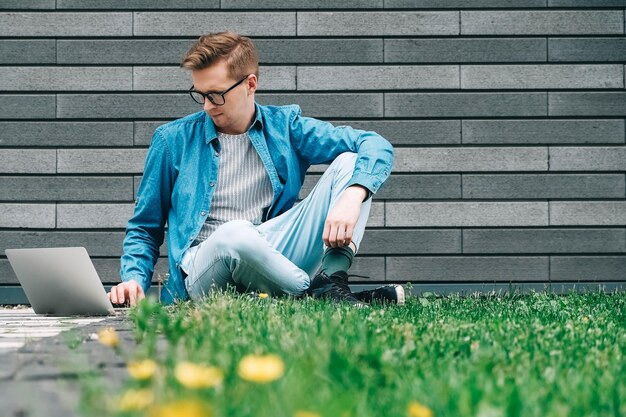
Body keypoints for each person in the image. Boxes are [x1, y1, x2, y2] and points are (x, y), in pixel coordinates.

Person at [107, 31, 402, 307]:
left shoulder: (285, 126)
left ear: (250, 84)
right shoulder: (172, 140)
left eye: (216, 94)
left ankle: (333, 279)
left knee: (351, 163)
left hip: (269, 253)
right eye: (201, 95)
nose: (208, 106)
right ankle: (316, 294)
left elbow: (374, 144)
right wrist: (133, 280)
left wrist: (352, 196)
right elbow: (145, 227)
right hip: (205, 268)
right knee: (235, 234)